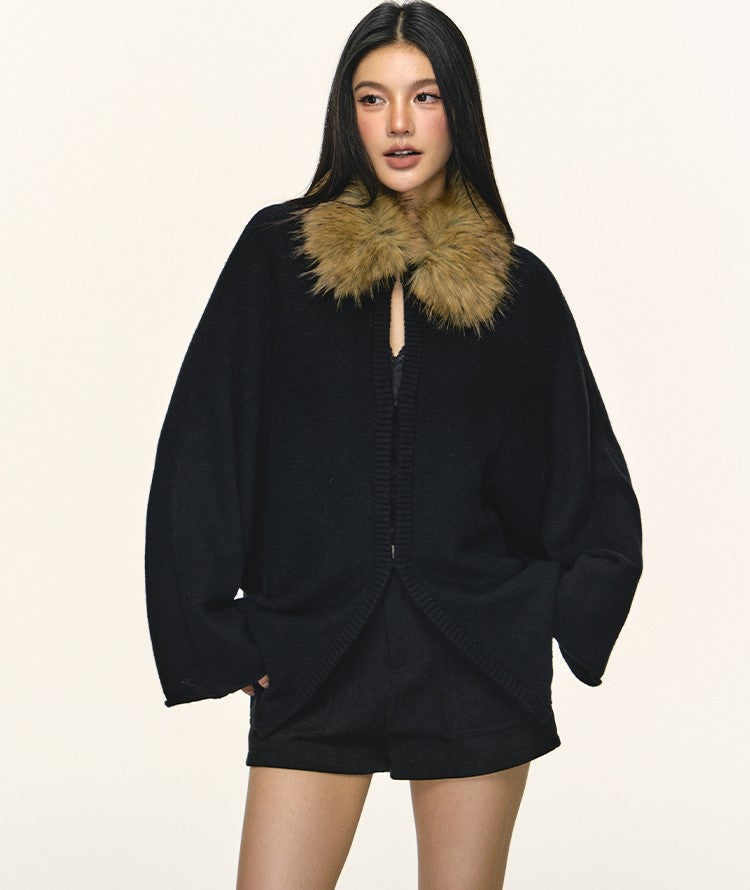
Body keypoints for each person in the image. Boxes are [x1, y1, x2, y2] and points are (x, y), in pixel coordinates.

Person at [144, 2, 644, 887]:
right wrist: (214, 629)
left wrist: (557, 612)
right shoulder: (279, 257)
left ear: (460, 109)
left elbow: (585, 473)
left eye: (425, 95)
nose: (400, 124)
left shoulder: (518, 291)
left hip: (473, 653)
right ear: (349, 115)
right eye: (373, 99)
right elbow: (204, 445)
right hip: (315, 647)